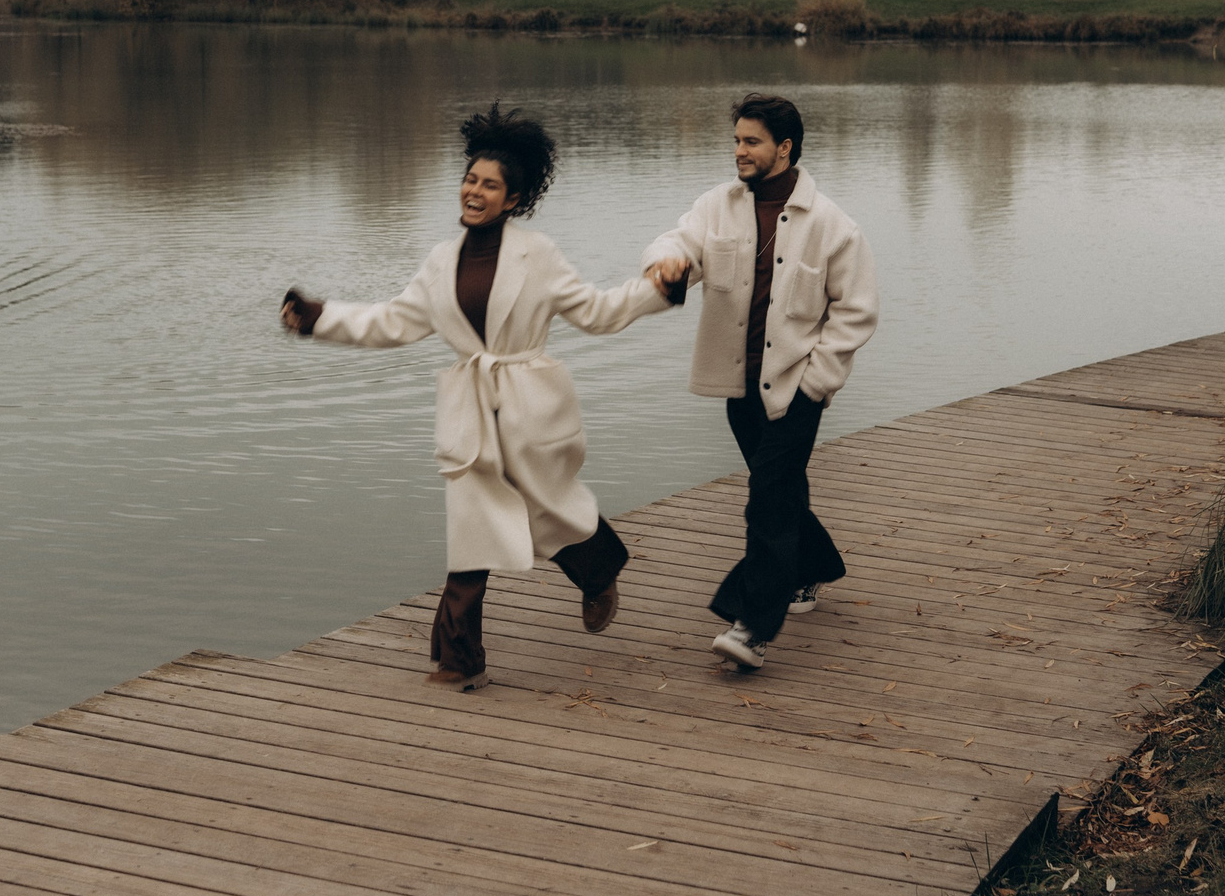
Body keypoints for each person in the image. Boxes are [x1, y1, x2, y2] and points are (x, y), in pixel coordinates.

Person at [280, 105, 668, 691]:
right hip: (469, 415)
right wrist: (319, 318)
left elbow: (595, 311)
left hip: (529, 406)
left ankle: (600, 568)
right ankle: (460, 660)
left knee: (550, 517)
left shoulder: (538, 255)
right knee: (470, 532)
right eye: (469, 180)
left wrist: (657, 289)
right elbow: (393, 322)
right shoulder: (441, 261)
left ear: (513, 199)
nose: (474, 191)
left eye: (489, 185)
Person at [645, 93, 877, 671]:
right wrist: (666, 262)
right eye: (736, 140)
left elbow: (857, 311)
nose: (739, 151)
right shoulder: (716, 206)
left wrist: (817, 381)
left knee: (766, 501)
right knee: (779, 489)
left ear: (785, 148)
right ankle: (815, 565)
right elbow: (680, 242)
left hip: (798, 387)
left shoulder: (832, 227)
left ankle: (751, 624)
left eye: (751, 141)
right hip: (738, 387)